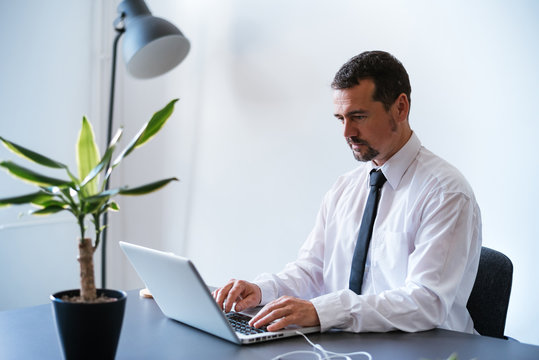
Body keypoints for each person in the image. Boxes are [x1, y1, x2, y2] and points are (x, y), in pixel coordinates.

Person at [212, 50, 482, 334]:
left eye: (359, 116)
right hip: (347, 346)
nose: (346, 132)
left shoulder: (445, 192)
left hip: (426, 349)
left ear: (400, 108)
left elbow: (426, 303)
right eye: (340, 118)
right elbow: (312, 269)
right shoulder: (344, 188)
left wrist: (322, 311)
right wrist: (261, 289)